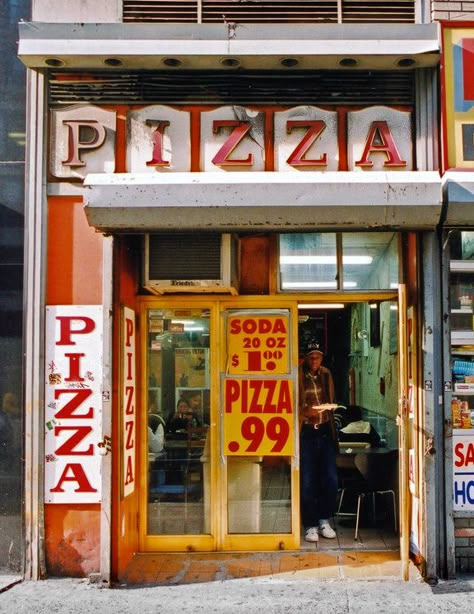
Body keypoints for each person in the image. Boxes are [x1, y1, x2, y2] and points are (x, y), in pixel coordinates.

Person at [298, 340, 338, 543]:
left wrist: (328, 409)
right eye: (311, 357)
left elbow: (331, 396)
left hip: (324, 431)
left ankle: (324, 520)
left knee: (330, 479)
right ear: (306, 357)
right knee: (307, 480)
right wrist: (306, 412)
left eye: (318, 357)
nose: (315, 360)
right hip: (306, 432)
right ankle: (310, 525)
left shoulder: (326, 373)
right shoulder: (297, 375)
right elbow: (294, 404)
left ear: (322, 357)